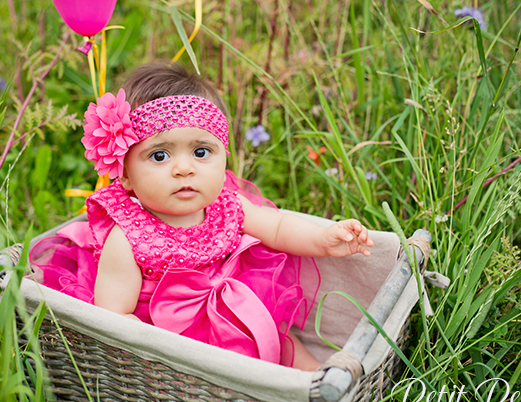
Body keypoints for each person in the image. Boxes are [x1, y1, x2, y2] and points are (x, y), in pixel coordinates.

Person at [30, 63, 373, 371]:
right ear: (126, 175)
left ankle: (321, 385)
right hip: (169, 344)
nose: (184, 168)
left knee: (279, 341)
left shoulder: (226, 202)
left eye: (201, 152)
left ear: (224, 156)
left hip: (236, 315)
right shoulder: (127, 237)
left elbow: (278, 226)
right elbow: (113, 318)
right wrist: (160, 356)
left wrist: (323, 239)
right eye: (160, 155)